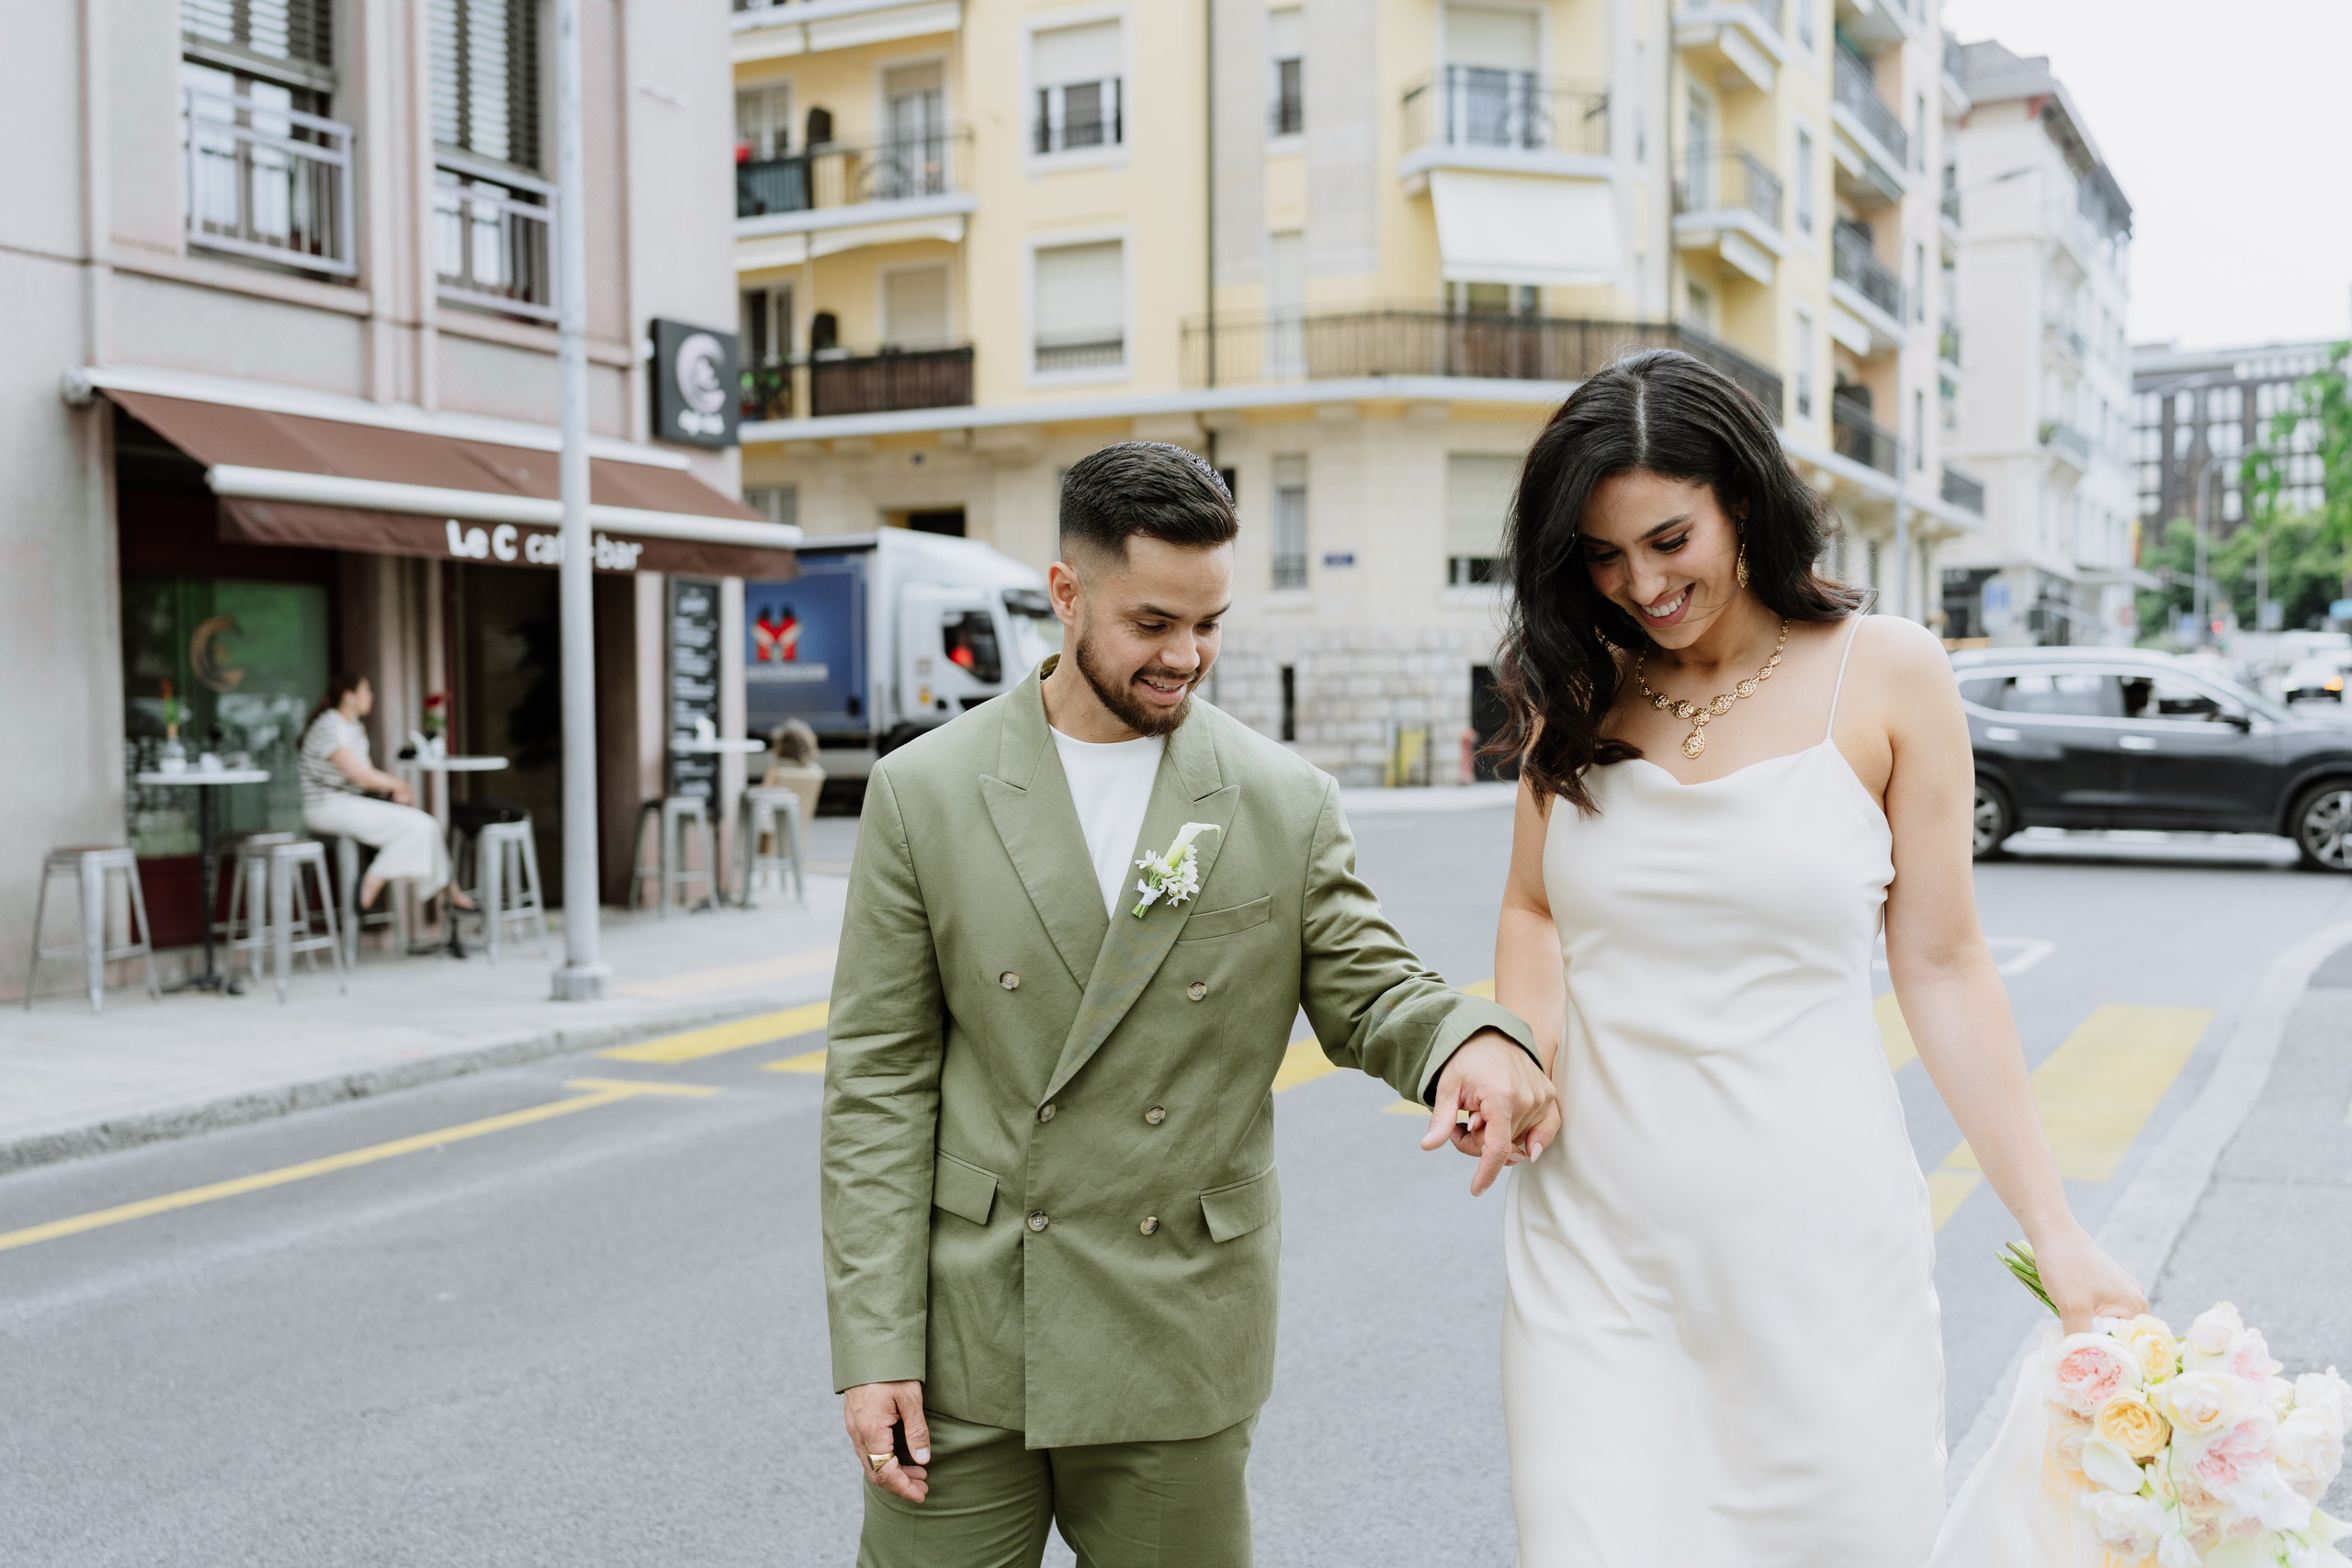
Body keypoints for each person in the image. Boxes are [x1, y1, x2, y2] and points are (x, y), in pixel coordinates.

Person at [822, 442, 1559, 1568]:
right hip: (969, 1336)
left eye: (1210, 624)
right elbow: (877, 1086)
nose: (1186, 657)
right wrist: (874, 1348)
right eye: (1153, 622)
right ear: (1066, 592)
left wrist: (1471, 1041)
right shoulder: (923, 791)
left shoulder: (1279, 799)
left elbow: (1372, 987)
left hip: (1173, 1331)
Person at [1485, 351, 2144, 1563]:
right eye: (1602, 555)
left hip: (1818, 1247)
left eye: (1669, 539)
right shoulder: (1577, 685)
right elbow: (1534, 909)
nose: (1642, 584)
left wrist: (2051, 1225)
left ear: (1742, 500)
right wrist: (1520, 1047)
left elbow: (1943, 963)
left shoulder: (1887, 670)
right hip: (1592, 1245)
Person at [299, 673, 470, 917]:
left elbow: (368, 779)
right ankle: (374, 879)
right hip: (328, 807)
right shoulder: (330, 725)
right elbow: (361, 775)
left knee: (428, 825)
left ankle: (450, 893)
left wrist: (394, 791)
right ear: (348, 697)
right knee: (420, 825)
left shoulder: (353, 727)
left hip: (349, 804)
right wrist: (401, 786)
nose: (371, 696)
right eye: (366, 691)